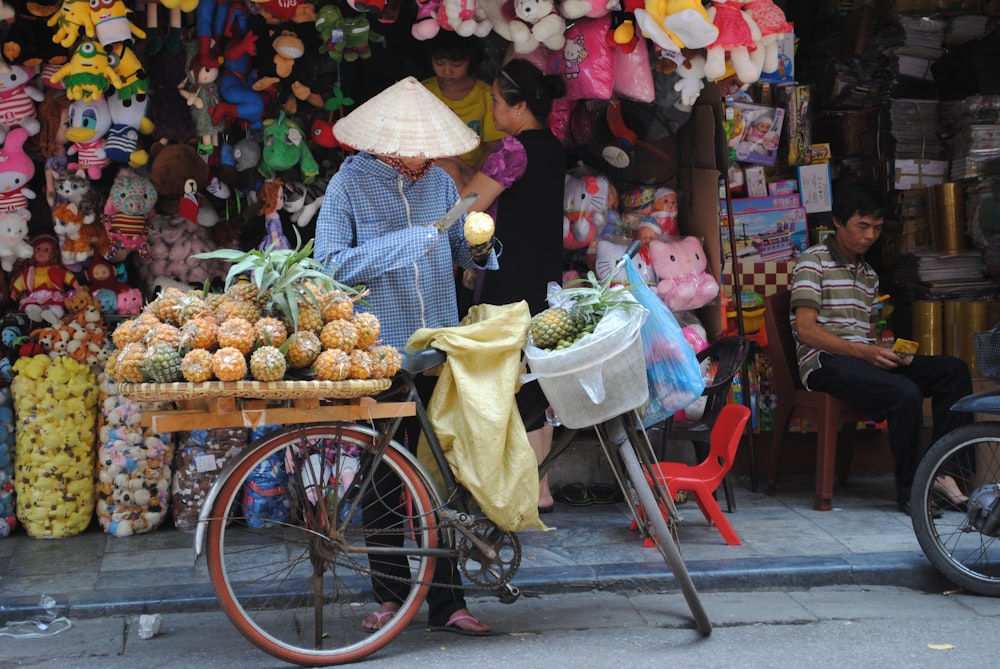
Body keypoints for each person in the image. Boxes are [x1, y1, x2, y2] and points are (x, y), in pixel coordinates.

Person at [313, 76, 497, 635]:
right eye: (414, 144)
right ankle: (391, 597)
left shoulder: (441, 185)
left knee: (441, 480)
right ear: (387, 142)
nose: (424, 154)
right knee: (382, 481)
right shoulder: (347, 188)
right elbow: (329, 268)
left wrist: (481, 246)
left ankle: (448, 602)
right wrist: (408, 242)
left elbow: (464, 250)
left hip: (438, 347)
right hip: (378, 353)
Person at [789, 179, 973, 516]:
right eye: (862, 226)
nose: (870, 236)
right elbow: (805, 331)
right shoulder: (811, 262)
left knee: (953, 371)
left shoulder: (869, 274)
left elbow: (869, 334)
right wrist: (863, 352)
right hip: (825, 364)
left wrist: (884, 351)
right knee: (904, 393)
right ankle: (912, 491)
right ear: (838, 221)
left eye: (876, 227)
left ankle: (947, 473)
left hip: (862, 360)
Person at [458, 58, 567, 512]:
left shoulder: (512, 151)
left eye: (498, 102)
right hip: (543, 277)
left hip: (509, 278)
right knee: (535, 379)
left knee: (509, 381)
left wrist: (447, 167)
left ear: (520, 107)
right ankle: (542, 489)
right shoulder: (555, 148)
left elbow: (469, 205)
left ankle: (524, 488)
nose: (493, 108)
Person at [421, 32, 505, 185]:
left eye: (456, 65)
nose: (447, 71)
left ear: (470, 61)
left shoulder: (486, 96)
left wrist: (471, 174)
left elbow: (492, 147)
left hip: (470, 175)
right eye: (439, 63)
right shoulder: (422, 91)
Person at [255, 179, 289, 252]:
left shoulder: (271, 215)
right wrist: (279, 246)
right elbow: (274, 235)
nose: (282, 200)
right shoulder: (273, 218)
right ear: (272, 199)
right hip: (275, 241)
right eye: (280, 197)